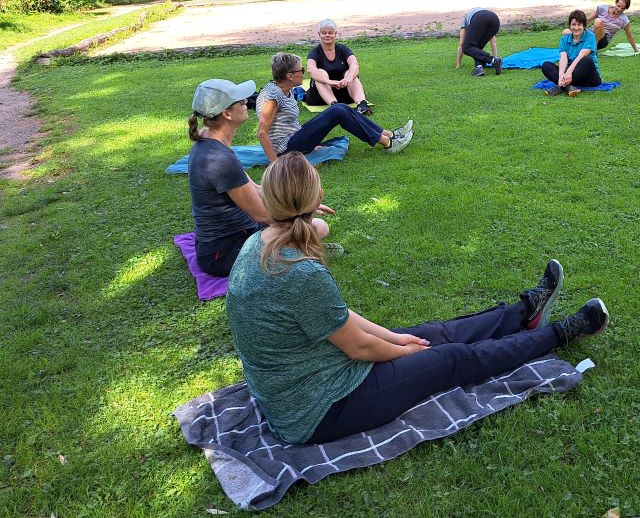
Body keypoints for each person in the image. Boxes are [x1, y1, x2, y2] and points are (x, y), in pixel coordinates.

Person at [225, 151, 610, 444]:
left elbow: (340, 317)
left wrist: (396, 339)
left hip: (312, 376)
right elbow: (359, 347)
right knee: (450, 357)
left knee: (435, 333)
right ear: (316, 195)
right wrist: (405, 352)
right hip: (318, 409)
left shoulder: (259, 244)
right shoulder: (300, 272)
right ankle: (562, 332)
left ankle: (525, 312)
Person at [187, 78, 332, 277]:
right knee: (318, 228)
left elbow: (254, 188)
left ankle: (302, 245)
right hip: (223, 253)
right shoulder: (219, 159)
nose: (246, 102)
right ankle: (302, 249)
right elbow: (263, 215)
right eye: (240, 101)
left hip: (234, 236)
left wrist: (299, 202)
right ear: (227, 114)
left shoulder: (210, 141)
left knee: (313, 227)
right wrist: (301, 214)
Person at [256, 52, 413, 162]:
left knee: (341, 108)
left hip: (295, 138)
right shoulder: (273, 97)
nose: (303, 73)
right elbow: (262, 132)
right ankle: (388, 143)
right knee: (337, 111)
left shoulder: (284, 89)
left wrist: (310, 139)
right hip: (286, 149)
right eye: (301, 70)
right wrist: (275, 164)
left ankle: (389, 135)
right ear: (290, 76)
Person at [304, 19, 373, 115]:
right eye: (324, 33)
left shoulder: (343, 49)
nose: (327, 35)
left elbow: (354, 64)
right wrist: (329, 82)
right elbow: (311, 70)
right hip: (321, 96)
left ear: (335, 34)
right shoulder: (315, 52)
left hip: (344, 90)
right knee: (321, 73)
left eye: (330, 33)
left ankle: (362, 104)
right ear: (319, 34)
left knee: (350, 73)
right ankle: (335, 106)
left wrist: (349, 78)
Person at [542, 10, 602, 97]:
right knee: (546, 65)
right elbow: (563, 58)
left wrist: (569, 72)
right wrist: (561, 76)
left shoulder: (590, 36)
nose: (576, 28)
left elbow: (580, 56)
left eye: (579, 25)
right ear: (570, 25)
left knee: (586, 60)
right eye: (573, 24)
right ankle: (568, 86)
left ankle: (560, 87)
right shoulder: (564, 39)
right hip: (573, 76)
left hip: (589, 77)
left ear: (584, 26)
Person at [561, 0, 637, 52]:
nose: (619, 9)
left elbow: (630, 36)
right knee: (565, 32)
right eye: (618, 6)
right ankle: (578, 47)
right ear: (616, 2)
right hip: (590, 33)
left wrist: (636, 50)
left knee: (598, 21)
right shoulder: (602, 8)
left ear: (625, 9)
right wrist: (578, 28)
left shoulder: (624, 20)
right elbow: (588, 20)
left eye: (622, 8)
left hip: (602, 40)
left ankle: (593, 48)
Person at [455, 8, 503, 76]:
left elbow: (461, 44)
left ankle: (493, 60)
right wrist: (496, 57)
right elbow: (493, 42)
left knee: (467, 47)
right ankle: (479, 68)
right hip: (495, 20)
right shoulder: (482, 14)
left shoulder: (465, 20)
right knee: (476, 49)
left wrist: (458, 64)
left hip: (480, 17)